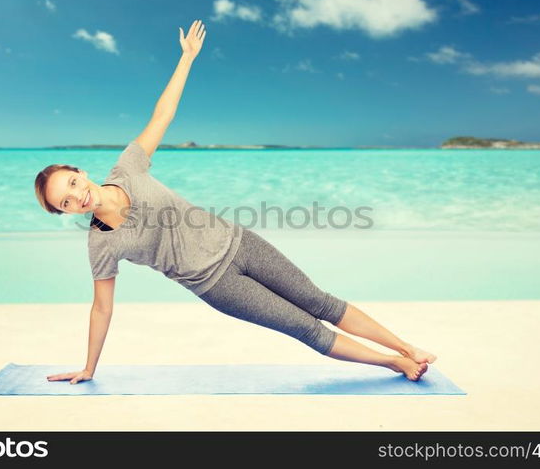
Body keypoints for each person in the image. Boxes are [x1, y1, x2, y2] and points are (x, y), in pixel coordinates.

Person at [35, 20, 436, 385]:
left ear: (81, 171)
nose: (76, 196)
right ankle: (394, 364)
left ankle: (407, 348)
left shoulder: (129, 168)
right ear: (66, 212)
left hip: (241, 242)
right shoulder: (101, 244)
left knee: (319, 301)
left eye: (72, 183)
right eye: (65, 202)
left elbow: (163, 114)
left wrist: (186, 58)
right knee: (306, 328)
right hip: (217, 285)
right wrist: (89, 367)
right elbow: (101, 309)